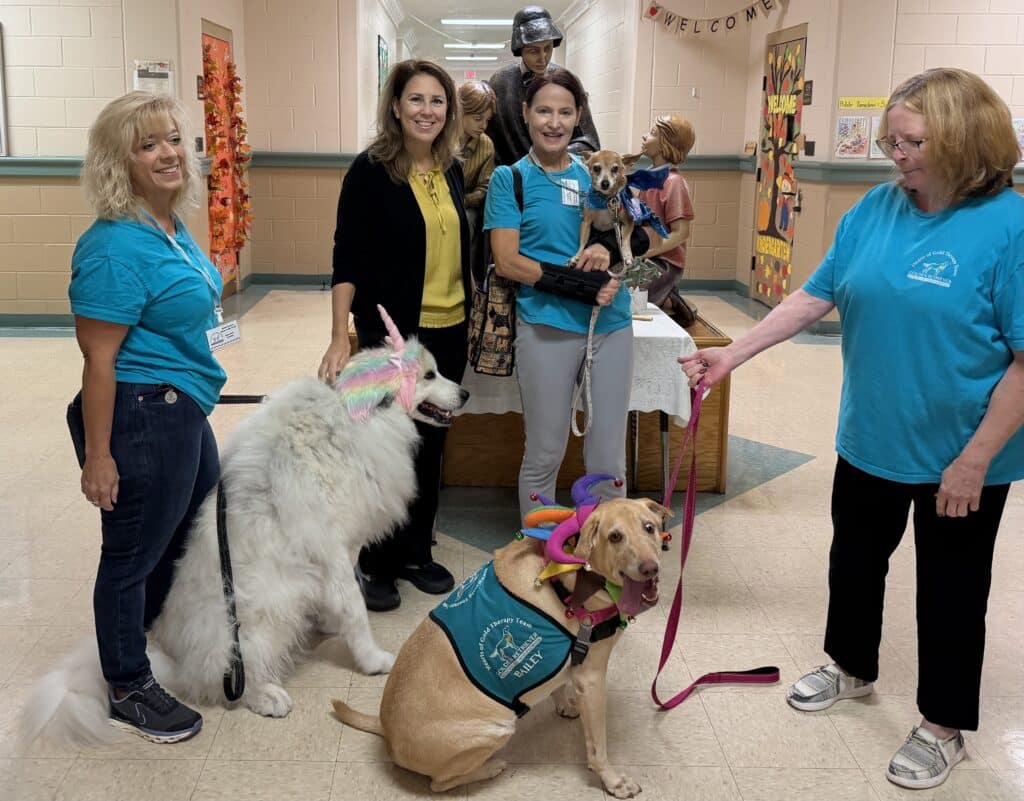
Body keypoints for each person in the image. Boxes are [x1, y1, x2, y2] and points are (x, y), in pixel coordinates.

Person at [680, 68, 1024, 791]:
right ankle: (853, 667)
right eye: (890, 140)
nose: (895, 155)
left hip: (961, 455)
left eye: (914, 142)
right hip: (870, 435)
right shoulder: (873, 208)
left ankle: (943, 723)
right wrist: (731, 354)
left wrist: (977, 457)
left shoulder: (1010, 227)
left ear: (966, 140)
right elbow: (814, 295)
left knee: (953, 590)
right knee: (855, 563)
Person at [67, 91, 227, 743]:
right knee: (129, 553)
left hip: (181, 407)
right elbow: (98, 363)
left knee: (182, 531)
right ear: (119, 161)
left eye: (173, 140)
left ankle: (154, 637)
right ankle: (128, 683)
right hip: (139, 414)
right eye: (148, 144)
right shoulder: (112, 247)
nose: (168, 154)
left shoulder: (169, 225)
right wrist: (101, 456)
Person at [317, 60, 470, 612]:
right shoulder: (370, 171)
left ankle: (413, 550)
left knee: (431, 446)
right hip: (396, 336)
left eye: (437, 101)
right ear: (395, 107)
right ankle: (375, 562)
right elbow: (348, 256)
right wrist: (341, 336)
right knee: (383, 449)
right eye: (416, 100)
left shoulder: (451, 168)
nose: (427, 111)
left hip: (450, 330)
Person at [485, 69, 628, 520]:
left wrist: (608, 254)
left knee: (608, 454)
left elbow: (631, 236)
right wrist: (579, 283)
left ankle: (609, 555)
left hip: (611, 325)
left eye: (565, 112)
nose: (554, 122)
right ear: (525, 114)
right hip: (546, 324)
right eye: (544, 110)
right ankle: (538, 546)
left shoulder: (599, 173)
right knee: (546, 449)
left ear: (578, 117)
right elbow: (508, 261)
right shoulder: (511, 180)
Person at [486, 6, 600, 166]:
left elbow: (590, 142)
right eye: (534, 51)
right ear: (520, 49)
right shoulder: (500, 82)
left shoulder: (567, 82)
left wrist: (554, 156)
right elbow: (489, 140)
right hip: (512, 182)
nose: (543, 58)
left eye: (548, 48)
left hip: (557, 179)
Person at [636, 114, 697, 326]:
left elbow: (681, 233)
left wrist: (650, 252)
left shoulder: (674, 183)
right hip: (644, 255)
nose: (645, 136)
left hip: (664, 261)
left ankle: (669, 298)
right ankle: (664, 296)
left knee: (628, 294)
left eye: (652, 134)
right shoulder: (648, 179)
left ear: (666, 144)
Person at [457, 80, 497, 280]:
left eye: (487, 120)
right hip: (435, 200)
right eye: (477, 118)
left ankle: (467, 277)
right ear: (460, 112)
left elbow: (484, 186)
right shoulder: (440, 138)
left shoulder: (486, 145)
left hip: (467, 204)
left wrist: (464, 200)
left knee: (468, 221)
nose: (483, 126)